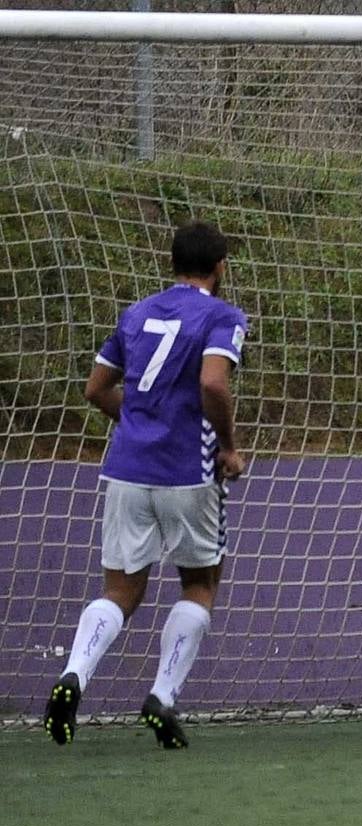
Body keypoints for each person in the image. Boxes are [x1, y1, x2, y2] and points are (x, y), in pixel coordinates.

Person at [42, 221, 248, 749]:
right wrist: (227, 445)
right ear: (220, 267)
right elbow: (212, 382)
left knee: (119, 591)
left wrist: (135, 420)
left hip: (128, 470)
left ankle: (73, 675)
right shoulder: (222, 315)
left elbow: (95, 389)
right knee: (199, 584)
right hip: (187, 472)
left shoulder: (136, 313)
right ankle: (162, 695)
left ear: (173, 263)